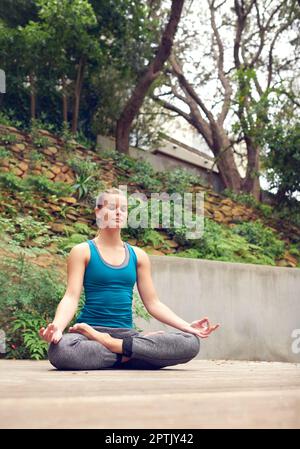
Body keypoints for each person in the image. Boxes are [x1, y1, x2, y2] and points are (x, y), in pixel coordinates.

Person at [39, 187, 219, 370]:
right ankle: (131, 354)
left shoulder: (138, 255)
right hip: (88, 332)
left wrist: (186, 326)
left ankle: (115, 347)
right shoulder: (82, 251)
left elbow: (153, 303)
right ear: (98, 211)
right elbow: (71, 297)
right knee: (60, 350)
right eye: (112, 207)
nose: (118, 213)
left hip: (126, 335)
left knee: (190, 342)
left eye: (123, 209)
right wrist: (58, 328)